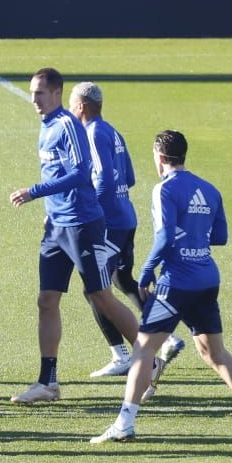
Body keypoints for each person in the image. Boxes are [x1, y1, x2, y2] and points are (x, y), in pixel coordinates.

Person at [91, 131, 232, 443]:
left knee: (143, 348)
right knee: (214, 352)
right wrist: (194, 235)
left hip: (177, 281)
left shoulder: (164, 190)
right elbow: (220, 237)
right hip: (207, 279)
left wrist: (146, 273)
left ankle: (124, 424)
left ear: (160, 157)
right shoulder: (210, 189)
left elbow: (163, 238)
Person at [9, 68, 142, 404]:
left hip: (83, 224)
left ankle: (148, 358)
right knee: (46, 300)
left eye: (40, 93)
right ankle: (48, 382)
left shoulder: (68, 124)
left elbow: (81, 173)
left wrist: (34, 191)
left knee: (102, 296)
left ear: (57, 93)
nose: (34, 99)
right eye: (32, 93)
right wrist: (49, 211)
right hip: (56, 226)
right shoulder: (47, 126)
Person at [69, 81, 186, 382]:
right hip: (126, 217)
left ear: (81, 106)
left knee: (94, 290)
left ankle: (121, 355)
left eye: (72, 104)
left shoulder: (92, 133)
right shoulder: (113, 131)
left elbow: (106, 179)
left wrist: (90, 207)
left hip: (107, 224)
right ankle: (168, 337)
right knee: (123, 279)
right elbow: (129, 177)